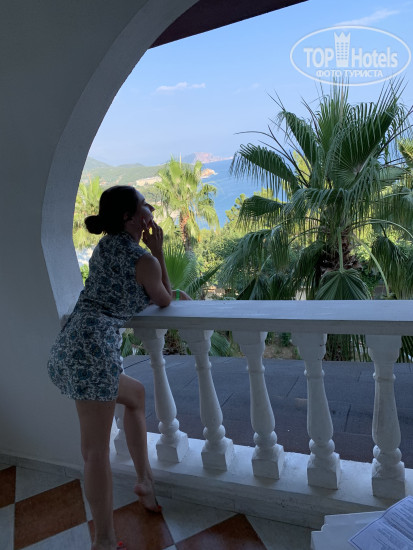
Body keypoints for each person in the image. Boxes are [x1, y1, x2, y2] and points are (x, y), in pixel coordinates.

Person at [47, 185, 189, 550]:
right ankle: (105, 541)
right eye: (144, 206)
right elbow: (164, 299)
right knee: (95, 451)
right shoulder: (145, 261)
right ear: (130, 216)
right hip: (94, 350)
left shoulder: (103, 248)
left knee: (135, 396)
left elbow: (124, 292)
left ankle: (145, 481)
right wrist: (157, 251)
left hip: (72, 342)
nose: (150, 210)